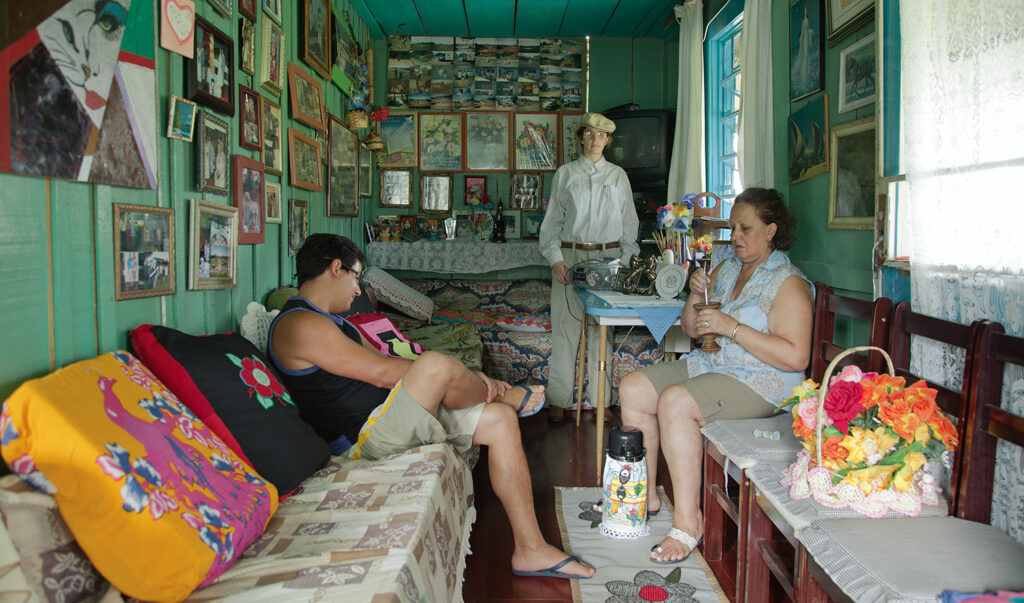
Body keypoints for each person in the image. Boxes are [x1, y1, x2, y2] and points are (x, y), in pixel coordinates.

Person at [268, 234, 595, 580]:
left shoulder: (335, 322)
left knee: (499, 421)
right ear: (336, 268)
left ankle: (531, 549)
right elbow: (381, 373)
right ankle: (501, 393)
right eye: (356, 278)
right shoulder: (299, 324)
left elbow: (386, 358)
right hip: (362, 437)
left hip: (390, 415)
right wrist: (454, 374)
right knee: (437, 366)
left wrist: (464, 376)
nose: (357, 290)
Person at [618, 188, 813, 563]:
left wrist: (731, 327)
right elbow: (692, 330)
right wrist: (695, 293)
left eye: (745, 228)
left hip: (762, 382)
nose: (735, 236)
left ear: (771, 231)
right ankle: (647, 497)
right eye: (732, 227)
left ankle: (688, 522)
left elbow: (795, 356)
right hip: (714, 367)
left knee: (675, 401)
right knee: (634, 388)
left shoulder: (788, 282)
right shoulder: (726, 268)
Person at [538, 112, 640, 423]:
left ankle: (601, 401)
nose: (595, 139)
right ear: (581, 136)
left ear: (608, 141)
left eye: (602, 135)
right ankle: (558, 399)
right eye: (590, 133)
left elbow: (629, 222)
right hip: (571, 257)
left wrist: (624, 261)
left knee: (601, 330)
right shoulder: (566, 174)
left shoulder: (618, 175)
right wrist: (556, 259)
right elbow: (552, 222)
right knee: (566, 328)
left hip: (608, 260)